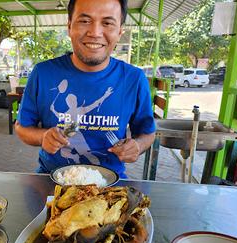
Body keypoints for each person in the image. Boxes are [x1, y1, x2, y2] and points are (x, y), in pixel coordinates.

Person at [15, 0, 156, 178]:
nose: (95, 33)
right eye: (84, 21)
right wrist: (43, 137)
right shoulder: (42, 73)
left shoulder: (134, 79)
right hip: (52, 178)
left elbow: (147, 133)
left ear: (120, 31)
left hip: (110, 182)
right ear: (69, 26)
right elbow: (22, 128)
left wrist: (137, 146)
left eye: (107, 23)